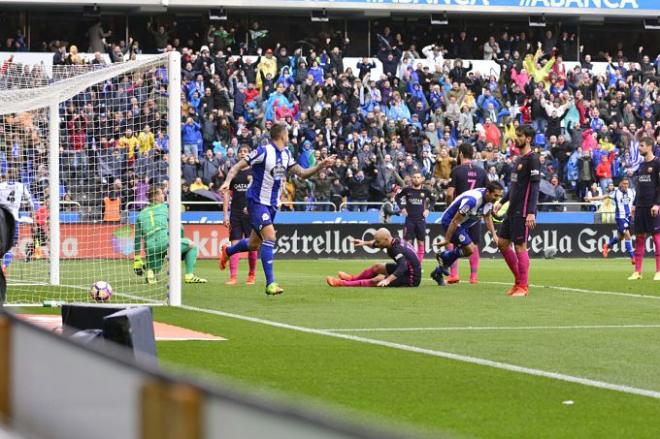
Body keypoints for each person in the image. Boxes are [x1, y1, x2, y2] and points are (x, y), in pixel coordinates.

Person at [219, 124, 336, 295]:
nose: (289, 136)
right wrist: (228, 181)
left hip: (272, 205)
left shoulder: (287, 154)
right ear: (282, 135)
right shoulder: (263, 151)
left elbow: (302, 173)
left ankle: (228, 251)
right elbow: (237, 166)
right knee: (270, 236)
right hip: (257, 202)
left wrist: (321, 165)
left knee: (253, 244)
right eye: (287, 133)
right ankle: (270, 284)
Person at [495, 125, 541, 297]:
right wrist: (502, 201)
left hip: (522, 211)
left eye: (520, 136)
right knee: (502, 243)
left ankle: (523, 286)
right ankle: (518, 281)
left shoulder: (533, 159)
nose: (516, 138)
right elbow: (514, 187)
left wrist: (531, 212)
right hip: (512, 210)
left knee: (520, 246)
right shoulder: (518, 160)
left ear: (528, 138)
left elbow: (535, 187)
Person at [431, 182, 503, 286]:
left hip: (462, 224)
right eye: (495, 195)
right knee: (470, 249)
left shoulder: (489, 199)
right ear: (488, 192)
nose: (497, 198)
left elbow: (487, 217)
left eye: (499, 196)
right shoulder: (472, 201)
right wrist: (447, 240)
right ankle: (443, 256)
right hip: (450, 222)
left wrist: (495, 236)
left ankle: (438, 271)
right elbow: (455, 221)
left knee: (468, 250)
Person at [133, 186, 207, 284]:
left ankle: (150, 272)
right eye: (161, 193)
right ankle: (189, 276)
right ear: (156, 197)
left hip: (150, 248)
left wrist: (137, 258)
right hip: (165, 242)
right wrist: (179, 243)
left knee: (155, 270)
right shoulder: (166, 207)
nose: (163, 195)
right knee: (192, 245)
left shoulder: (140, 214)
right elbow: (179, 227)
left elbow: (137, 239)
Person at [445, 143, 488, 284]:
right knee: (474, 243)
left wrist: (449, 207)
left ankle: (454, 274)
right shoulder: (482, 172)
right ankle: (473, 277)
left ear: (461, 154)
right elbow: (487, 193)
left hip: (460, 212)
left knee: (451, 240)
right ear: (473, 154)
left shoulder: (456, 171)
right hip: (475, 213)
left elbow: (450, 193)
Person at [326, 228, 421, 288]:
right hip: (407, 270)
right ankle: (351, 278)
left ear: (386, 239)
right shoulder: (393, 240)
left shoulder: (396, 249)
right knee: (377, 267)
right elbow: (377, 243)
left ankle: (341, 283)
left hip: (411, 278)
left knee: (377, 280)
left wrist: (387, 280)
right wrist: (364, 242)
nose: (376, 244)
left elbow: (402, 266)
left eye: (378, 241)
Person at [222, 145, 258, 285]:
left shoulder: (254, 172)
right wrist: (225, 214)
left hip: (250, 213)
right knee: (235, 243)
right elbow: (226, 194)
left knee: (252, 245)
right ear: (237, 155)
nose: (243, 154)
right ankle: (233, 277)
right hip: (235, 213)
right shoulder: (233, 172)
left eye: (245, 152)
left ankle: (251, 275)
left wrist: (252, 207)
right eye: (241, 152)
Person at [628, 137, 660, 281]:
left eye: (641, 146)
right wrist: (634, 204)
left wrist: (657, 204)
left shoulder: (658, 163)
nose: (639, 148)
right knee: (639, 239)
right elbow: (639, 187)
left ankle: (659, 271)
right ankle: (637, 271)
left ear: (649, 147)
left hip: (652, 206)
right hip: (640, 206)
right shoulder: (641, 165)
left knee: (657, 239)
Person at [586, 178, 635, 264]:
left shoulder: (631, 192)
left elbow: (637, 200)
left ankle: (607, 246)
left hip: (629, 217)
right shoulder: (616, 193)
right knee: (627, 234)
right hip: (620, 217)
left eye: (627, 184)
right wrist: (591, 199)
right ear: (620, 184)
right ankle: (632, 257)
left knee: (620, 237)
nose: (625, 185)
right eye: (624, 183)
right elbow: (604, 196)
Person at [0, 169, 37, 273]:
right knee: (11, 247)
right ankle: (4, 266)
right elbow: (31, 202)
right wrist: (33, 214)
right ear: (17, 176)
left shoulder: (1, 186)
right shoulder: (21, 186)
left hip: (2, 218)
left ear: (7, 176)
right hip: (13, 220)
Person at [395, 172, 434, 263]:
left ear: (422, 179)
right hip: (410, 220)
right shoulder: (407, 190)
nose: (416, 179)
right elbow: (397, 197)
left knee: (421, 242)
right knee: (408, 244)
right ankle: (409, 264)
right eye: (414, 177)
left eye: (418, 177)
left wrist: (428, 209)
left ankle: (418, 265)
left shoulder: (425, 191)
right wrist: (402, 208)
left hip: (421, 220)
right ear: (412, 179)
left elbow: (433, 200)